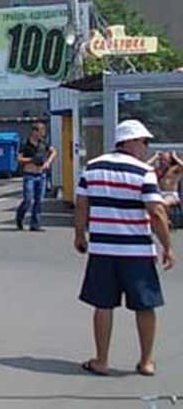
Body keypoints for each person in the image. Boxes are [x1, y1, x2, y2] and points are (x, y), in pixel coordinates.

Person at [74, 119, 175, 377]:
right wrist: (167, 246)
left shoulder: (92, 167)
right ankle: (146, 361)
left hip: (103, 250)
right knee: (145, 306)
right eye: (144, 142)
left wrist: (80, 235)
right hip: (137, 251)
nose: (146, 147)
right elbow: (156, 212)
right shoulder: (143, 171)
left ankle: (101, 360)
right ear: (130, 141)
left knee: (103, 305)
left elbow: (82, 203)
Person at [16, 122, 57, 231]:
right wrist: (31, 160)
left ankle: (35, 224)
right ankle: (20, 216)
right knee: (28, 199)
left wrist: (48, 162)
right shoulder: (25, 143)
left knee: (39, 200)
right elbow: (19, 158)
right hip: (29, 175)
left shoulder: (43, 143)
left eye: (43, 131)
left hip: (41, 175)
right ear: (34, 132)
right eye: (41, 131)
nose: (43, 133)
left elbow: (54, 151)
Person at [148, 151, 183, 229]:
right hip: (159, 194)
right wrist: (155, 157)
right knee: (150, 204)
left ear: (170, 160)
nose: (163, 161)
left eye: (165, 159)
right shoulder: (158, 170)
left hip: (171, 194)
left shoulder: (175, 169)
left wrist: (175, 157)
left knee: (163, 203)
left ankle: (165, 220)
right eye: (162, 159)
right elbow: (144, 166)